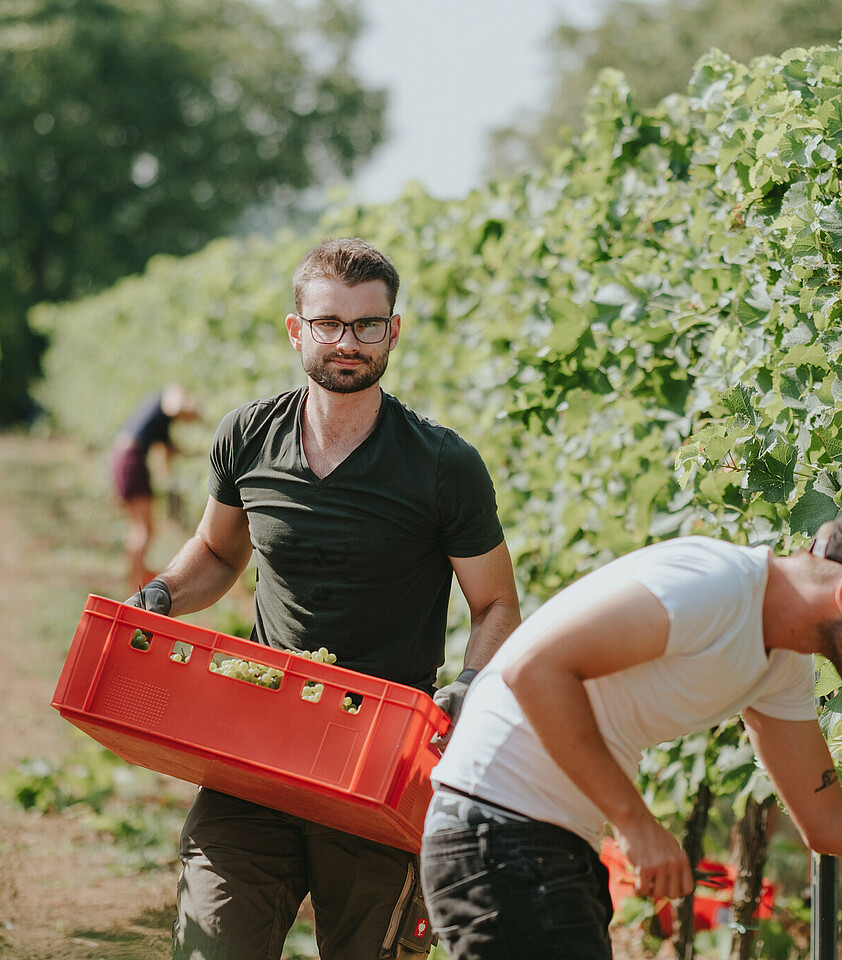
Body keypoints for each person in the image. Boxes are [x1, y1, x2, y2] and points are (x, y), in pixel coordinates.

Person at [126, 237, 521, 960]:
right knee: (212, 945)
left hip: (381, 765)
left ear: (393, 331)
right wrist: (160, 593)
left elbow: (496, 604)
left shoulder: (442, 466)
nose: (349, 342)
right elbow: (218, 552)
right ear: (296, 329)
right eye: (330, 323)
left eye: (368, 324)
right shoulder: (248, 435)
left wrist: (467, 687)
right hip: (255, 745)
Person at [421, 501, 842, 960]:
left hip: (543, 845)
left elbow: (829, 818)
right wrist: (636, 824)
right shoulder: (716, 584)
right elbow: (533, 669)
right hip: (499, 834)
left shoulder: (783, 665)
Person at [111, 383, 200, 587]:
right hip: (130, 460)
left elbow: (171, 452)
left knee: (144, 527)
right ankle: (136, 585)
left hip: (123, 458)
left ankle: (139, 576)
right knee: (142, 529)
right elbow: (175, 406)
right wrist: (195, 412)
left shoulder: (161, 424)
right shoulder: (173, 392)